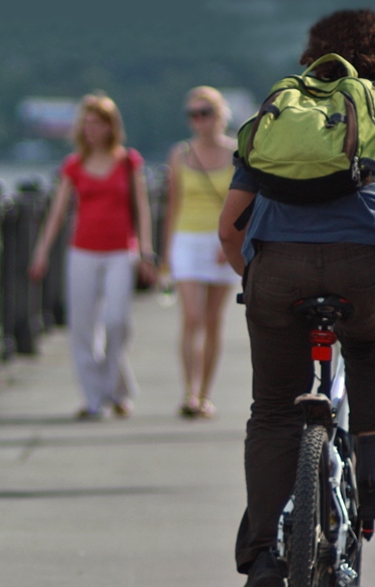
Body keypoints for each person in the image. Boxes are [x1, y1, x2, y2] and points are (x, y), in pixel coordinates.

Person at [217, 9, 375, 587]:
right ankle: (374, 477)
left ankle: (264, 561)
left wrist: (257, 281)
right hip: (362, 270)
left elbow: (229, 227)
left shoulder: (283, 111)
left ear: (316, 55)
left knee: (273, 410)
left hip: (276, 272)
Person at [29, 93, 158, 420]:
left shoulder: (129, 161)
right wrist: (41, 252)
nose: (90, 129)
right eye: (85, 123)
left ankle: (115, 386)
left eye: (97, 122)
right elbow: (57, 213)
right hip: (82, 251)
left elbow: (142, 209)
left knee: (117, 321)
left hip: (120, 251)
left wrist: (146, 250)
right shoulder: (73, 165)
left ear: (110, 125)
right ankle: (94, 399)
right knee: (83, 327)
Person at [162, 86, 237, 419]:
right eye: (192, 114)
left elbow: (244, 203)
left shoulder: (236, 154)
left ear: (219, 115)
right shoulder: (180, 154)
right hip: (187, 239)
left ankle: (205, 393)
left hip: (221, 239)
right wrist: (165, 255)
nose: (198, 120)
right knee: (191, 317)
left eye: (204, 112)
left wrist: (232, 239)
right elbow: (173, 204)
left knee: (212, 321)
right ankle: (189, 393)